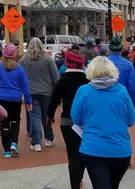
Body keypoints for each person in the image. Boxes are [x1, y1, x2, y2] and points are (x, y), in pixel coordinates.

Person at [71, 56, 135, 189]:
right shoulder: (122, 91)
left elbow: (76, 118)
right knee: (113, 185)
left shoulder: (83, 91)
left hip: (93, 148)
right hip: (120, 149)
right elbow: (131, 120)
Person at [47, 50, 89, 189]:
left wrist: (50, 115)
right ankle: (80, 178)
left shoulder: (62, 81)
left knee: (73, 155)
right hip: (85, 122)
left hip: (67, 121)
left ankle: (75, 184)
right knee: (83, 152)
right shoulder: (87, 81)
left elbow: (53, 100)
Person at [0, 45, 32, 158]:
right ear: (14, 56)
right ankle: (14, 143)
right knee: (15, 121)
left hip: (1, 98)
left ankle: (6, 149)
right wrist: (28, 101)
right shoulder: (20, 69)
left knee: (4, 122)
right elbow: (25, 87)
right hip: (16, 99)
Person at [19, 38, 59, 152]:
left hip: (30, 92)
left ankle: (36, 142)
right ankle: (49, 138)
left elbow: (19, 75)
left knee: (34, 116)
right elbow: (56, 77)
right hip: (47, 92)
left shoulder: (23, 60)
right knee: (46, 116)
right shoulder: (48, 59)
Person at [107, 36, 135, 104]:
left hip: (104, 100)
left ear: (109, 48)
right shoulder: (128, 65)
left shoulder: (102, 63)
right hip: (122, 100)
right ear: (121, 48)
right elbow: (132, 87)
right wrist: (131, 103)